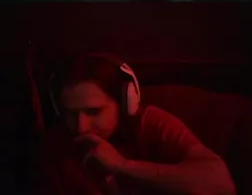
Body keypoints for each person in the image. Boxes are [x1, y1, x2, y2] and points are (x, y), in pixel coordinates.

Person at [35, 53, 236, 195]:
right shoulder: (55, 146)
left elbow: (221, 184)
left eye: (94, 111)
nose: (81, 127)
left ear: (126, 103)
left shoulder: (149, 123)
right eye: (71, 113)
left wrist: (123, 166)